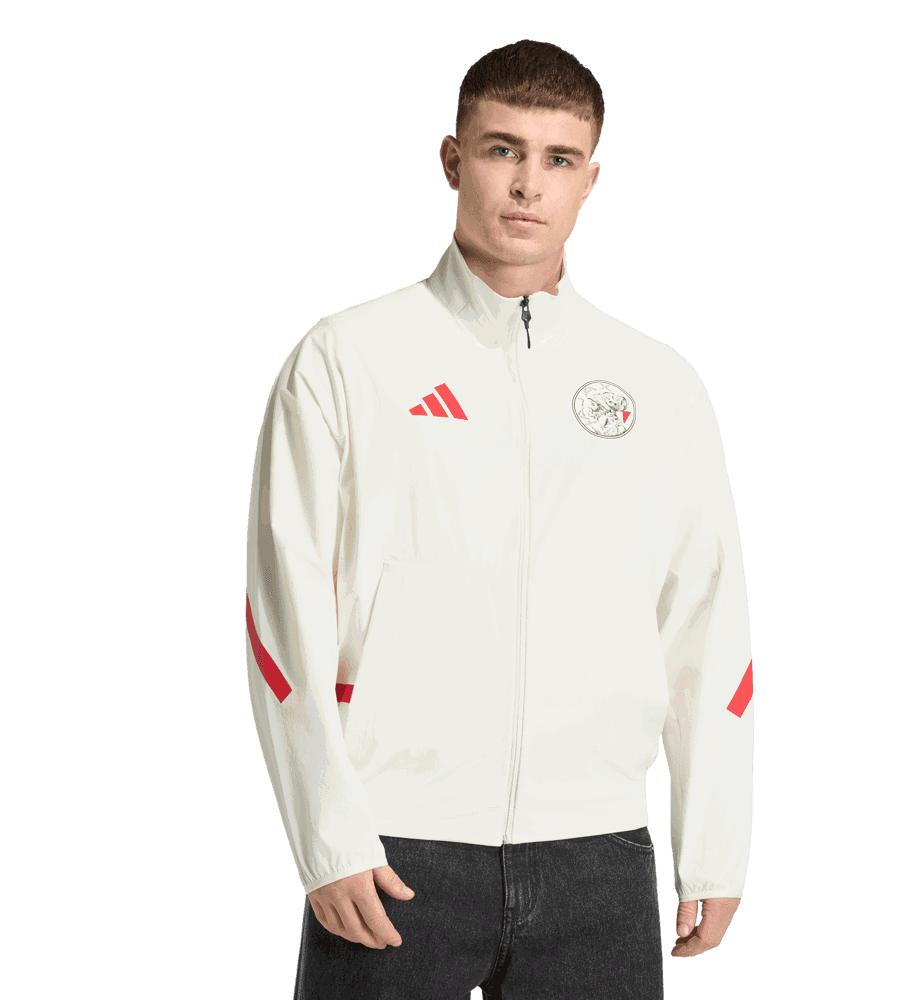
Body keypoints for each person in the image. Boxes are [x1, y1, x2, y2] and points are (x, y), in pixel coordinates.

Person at [245, 38, 754, 999]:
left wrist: (715, 844)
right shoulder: (348, 357)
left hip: (599, 852)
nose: (528, 184)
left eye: (559, 159)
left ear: (590, 181)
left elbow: (709, 621)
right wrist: (328, 835)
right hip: (392, 849)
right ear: (452, 160)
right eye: (501, 150)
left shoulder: (660, 383)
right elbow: (282, 612)